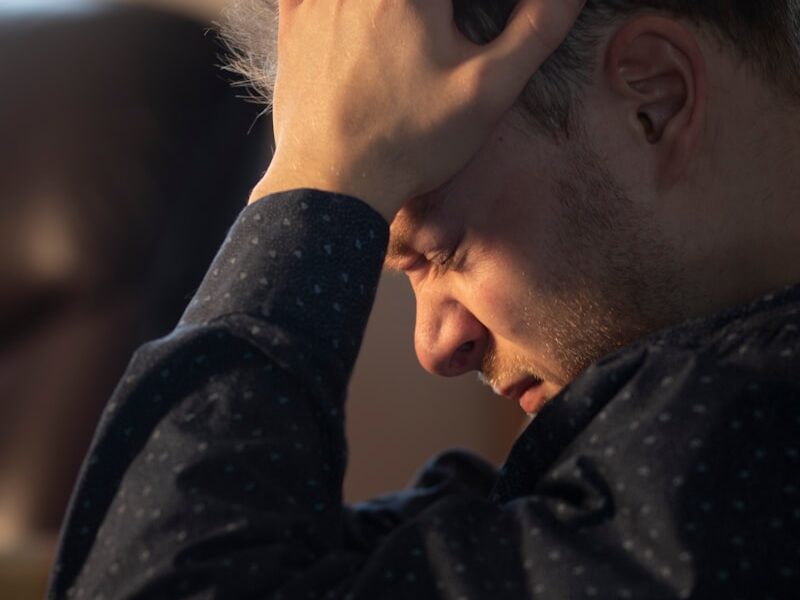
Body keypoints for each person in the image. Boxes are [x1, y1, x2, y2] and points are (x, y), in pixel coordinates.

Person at [48, 0, 800, 597]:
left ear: (655, 100)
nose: (437, 346)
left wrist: (321, 180)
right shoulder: (670, 467)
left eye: (442, 251)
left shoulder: (738, 452)